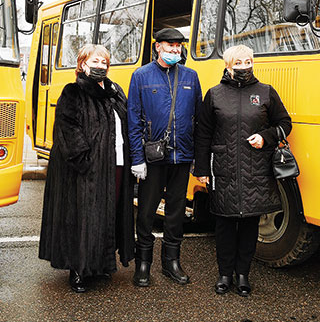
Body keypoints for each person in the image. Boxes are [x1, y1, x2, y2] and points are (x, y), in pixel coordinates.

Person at [193, 44, 292, 297]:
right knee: (225, 225)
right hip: (223, 169)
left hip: (255, 169)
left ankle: (243, 275)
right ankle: (225, 275)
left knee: (249, 225)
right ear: (228, 66)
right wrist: (202, 169)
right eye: (239, 63)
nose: (245, 67)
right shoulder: (214, 95)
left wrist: (266, 137)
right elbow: (203, 133)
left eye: (248, 61)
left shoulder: (266, 92)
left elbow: (284, 123)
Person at [39, 44, 135, 293]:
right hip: (85, 170)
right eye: (95, 61)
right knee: (83, 218)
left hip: (115, 164)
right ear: (82, 64)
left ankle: (100, 264)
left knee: (107, 215)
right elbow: (67, 129)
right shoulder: (73, 92)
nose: (100, 66)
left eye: (104, 62)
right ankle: (79, 269)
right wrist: (86, 161)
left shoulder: (116, 92)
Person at [128, 28, 202, 287]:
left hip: (181, 158)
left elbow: (198, 119)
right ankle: (143, 264)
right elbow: (134, 120)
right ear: (157, 47)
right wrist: (137, 158)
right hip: (152, 158)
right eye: (169, 45)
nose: (174, 50)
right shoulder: (141, 76)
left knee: (176, 212)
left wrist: (196, 157)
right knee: (147, 212)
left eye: (178, 46)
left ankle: (171, 261)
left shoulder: (191, 77)